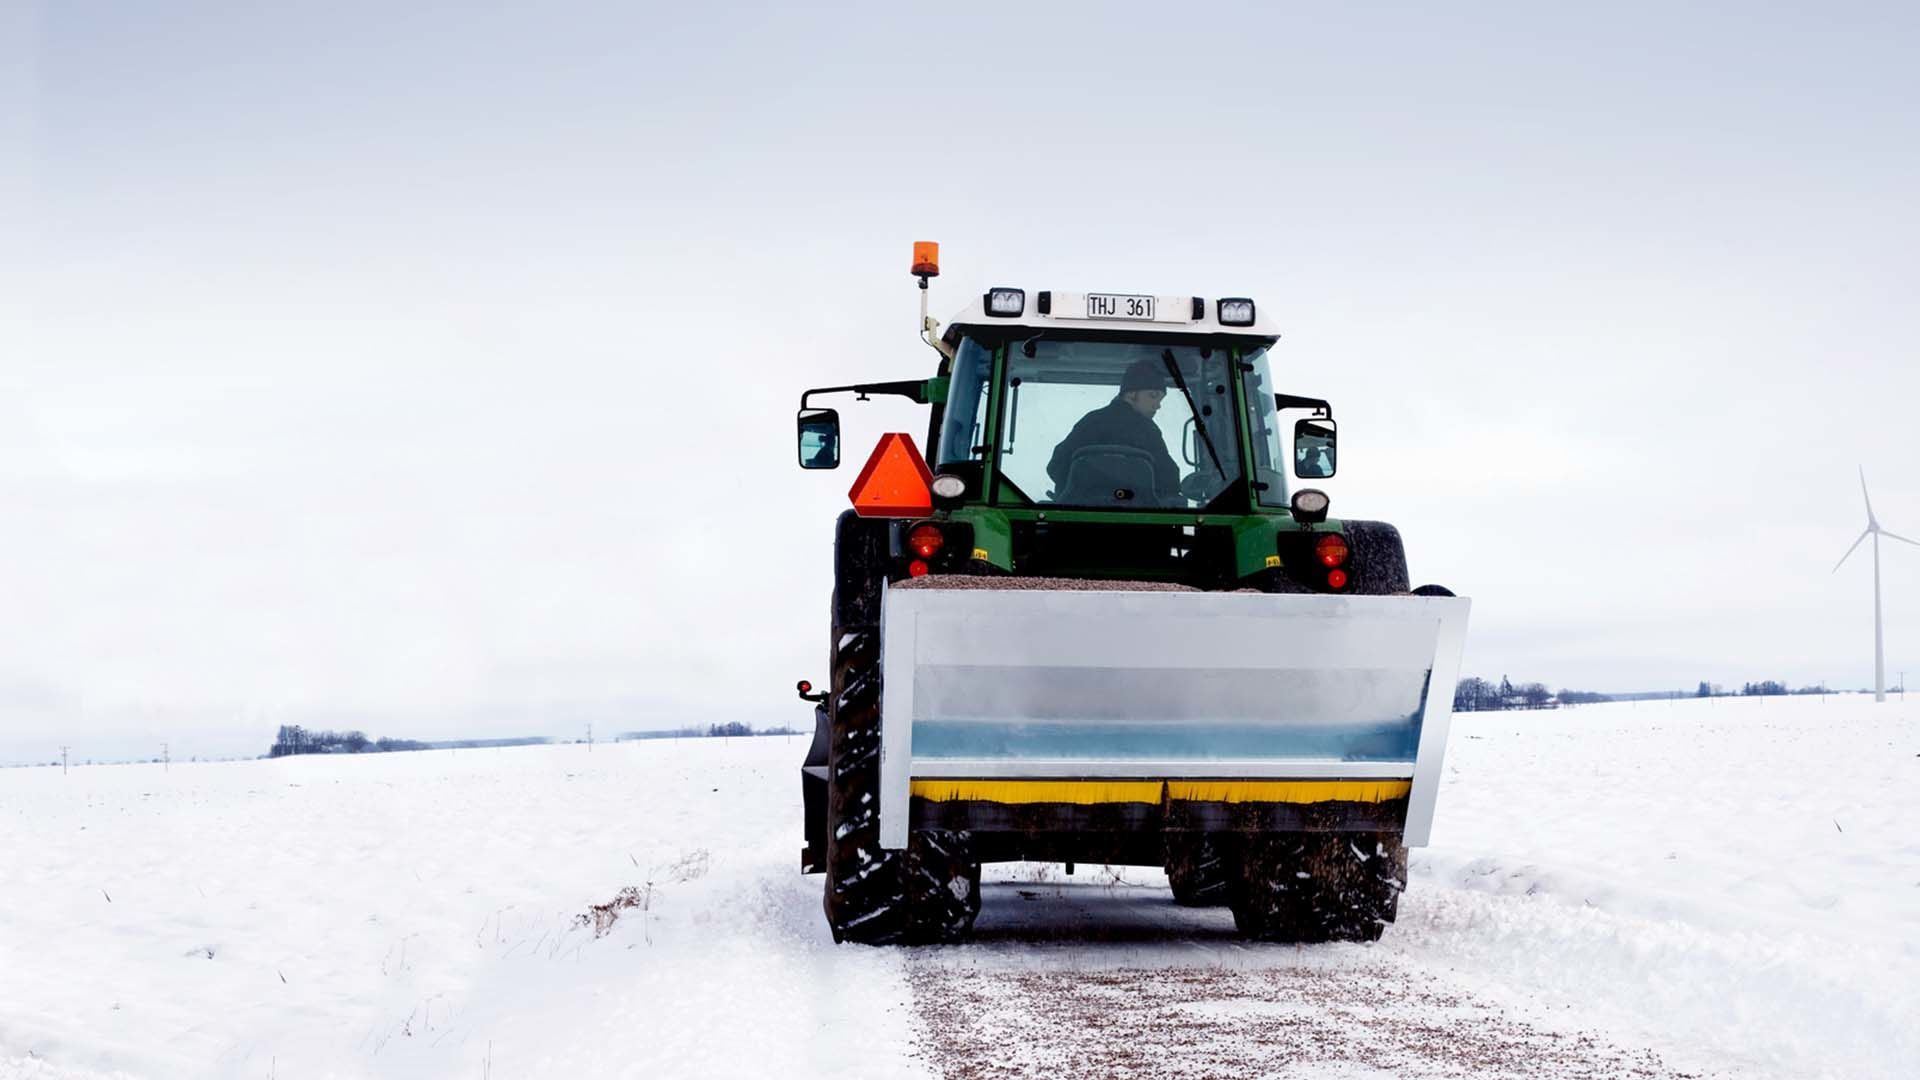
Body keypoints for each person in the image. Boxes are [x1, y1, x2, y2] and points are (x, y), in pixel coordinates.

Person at [1046, 359, 1181, 503]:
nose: (1158, 406)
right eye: (1153, 396)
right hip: (1137, 520)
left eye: (1160, 399)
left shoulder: (1091, 422)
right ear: (1131, 394)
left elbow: (1056, 466)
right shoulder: (1149, 431)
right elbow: (1170, 481)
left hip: (1080, 519)